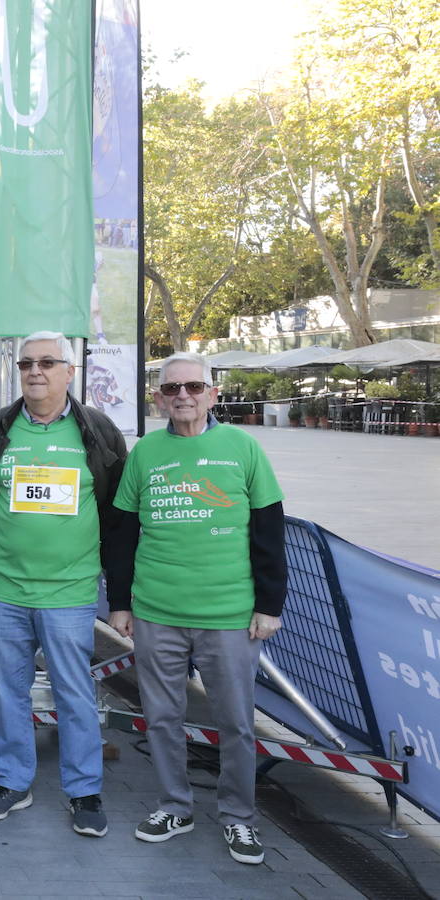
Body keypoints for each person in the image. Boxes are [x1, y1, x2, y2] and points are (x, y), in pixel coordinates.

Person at [106, 351, 286, 865]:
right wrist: (120, 603)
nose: (182, 395)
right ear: (158, 398)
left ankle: (239, 818)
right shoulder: (144, 454)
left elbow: (270, 531)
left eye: (192, 386)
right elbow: (123, 533)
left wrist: (269, 605)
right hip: (156, 612)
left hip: (230, 615)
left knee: (236, 724)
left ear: (212, 393)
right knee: (162, 718)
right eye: (171, 389)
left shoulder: (243, 447)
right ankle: (174, 806)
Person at [0, 331, 127, 837]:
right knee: (8, 692)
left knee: (74, 694)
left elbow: (113, 509)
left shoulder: (97, 432)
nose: (35, 371)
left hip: (70, 591)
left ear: (69, 371)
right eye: (27, 363)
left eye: (47, 363)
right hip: (5, 588)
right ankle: (13, 782)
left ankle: (84, 791)